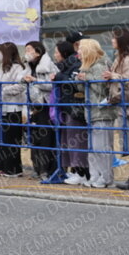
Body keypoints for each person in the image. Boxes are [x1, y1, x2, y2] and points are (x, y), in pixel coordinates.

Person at [103, 28, 129, 191]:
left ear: (121, 41)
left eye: (114, 38)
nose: (112, 41)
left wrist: (113, 76)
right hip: (123, 105)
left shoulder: (128, 60)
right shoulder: (119, 59)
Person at [76, 38, 115, 188]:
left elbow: (102, 89)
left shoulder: (99, 66)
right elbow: (82, 89)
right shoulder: (87, 67)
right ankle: (95, 175)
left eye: (81, 49)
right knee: (93, 148)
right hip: (92, 113)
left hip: (102, 112)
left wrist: (87, 78)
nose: (78, 52)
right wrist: (80, 78)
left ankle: (106, 178)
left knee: (102, 148)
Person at [54, 40, 90, 186]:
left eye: (56, 52)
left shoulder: (76, 65)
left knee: (77, 141)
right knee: (68, 141)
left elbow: (73, 85)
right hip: (67, 107)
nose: (55, 55)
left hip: (76, 108)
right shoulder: (66, 66)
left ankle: (81, 172)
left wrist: (59, 77)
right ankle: (75, 170)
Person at [22, 41, 57, 180]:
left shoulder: (48, 65)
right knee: (35, 138)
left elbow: (52, 85)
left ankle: (46, 170)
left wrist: (35, 80)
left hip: (46, 106)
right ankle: (37, 168)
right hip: (34, 107)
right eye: (26, 50)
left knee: (46, 139)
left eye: (29, 49)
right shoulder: (29, 66)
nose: (27, 52)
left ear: (37, 52)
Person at [0, 42, 27, 177]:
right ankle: (4, 166)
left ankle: (14, 169)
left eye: (1, 52)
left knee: (11, 139)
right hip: (1, 107)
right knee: (2, 139)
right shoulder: (3, 67)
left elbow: (20, 86)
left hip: (13, 108)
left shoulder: (19, 67)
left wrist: (4, 90)